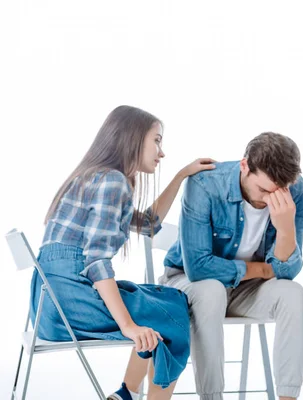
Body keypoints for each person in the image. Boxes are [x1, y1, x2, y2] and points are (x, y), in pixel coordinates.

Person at [31, 105, 214, 400]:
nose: (161, 152)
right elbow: (97, 262)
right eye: (156, 140)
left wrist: (181, 175)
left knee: (168, 299)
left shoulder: (97, 176)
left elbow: (149, 224)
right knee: (174, 315)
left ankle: (126, 393)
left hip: (49, 306)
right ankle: (132, 392)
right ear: (133, 138)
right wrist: (128, 326)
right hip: (71, 301)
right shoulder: (111, 182)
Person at [160, 132, 303, 400]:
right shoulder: (205, 184)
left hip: (246, 290)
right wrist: (261, 269)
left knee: (294, 293)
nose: (269, 200)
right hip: (188, 283)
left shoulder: (295, 191)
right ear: (244, 166)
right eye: (263, 190)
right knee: (211, 290)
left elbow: (286, 272)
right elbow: (198, 267)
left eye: (278, 191)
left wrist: (286, 230)